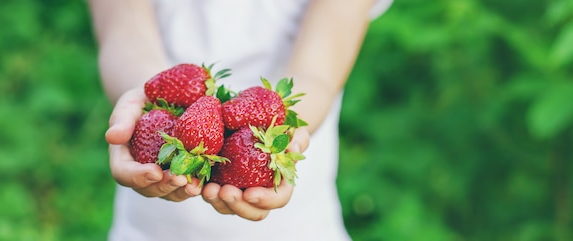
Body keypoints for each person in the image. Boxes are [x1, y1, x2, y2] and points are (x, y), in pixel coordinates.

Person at [88, 0, 392, 240]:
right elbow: (124, 35)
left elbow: (318, 72)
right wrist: (144, 94)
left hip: (297, 229)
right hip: (148, 226)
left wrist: (287, 127)